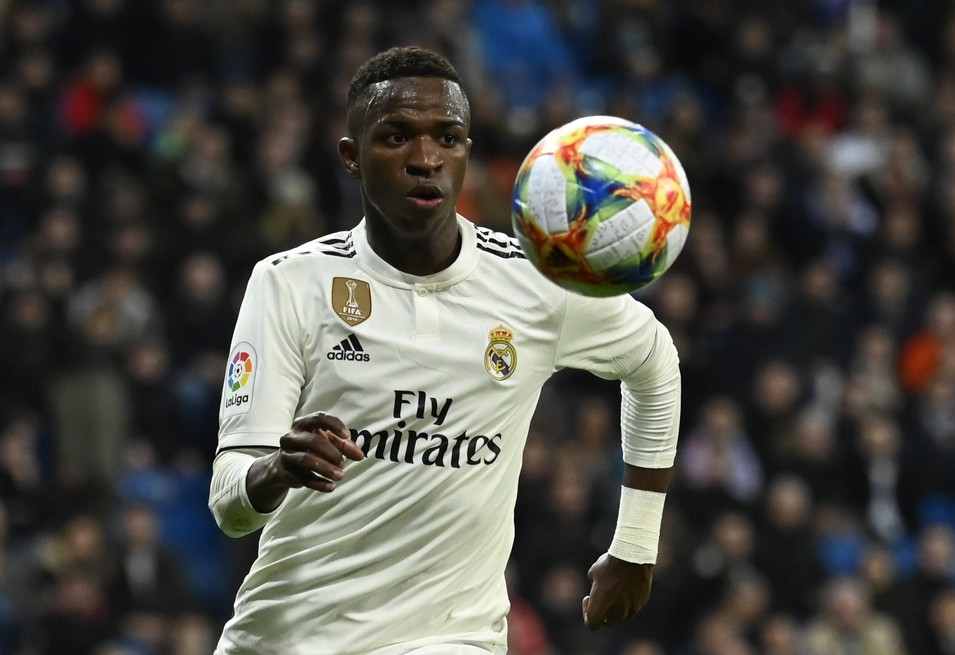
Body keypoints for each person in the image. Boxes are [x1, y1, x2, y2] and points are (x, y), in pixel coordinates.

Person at [208, 46, 681, 655]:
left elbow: (654, 363)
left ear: (467, 155)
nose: (425, 160)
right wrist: (275, 472)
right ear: (351, 158)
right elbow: (230, 505)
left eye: (448, 139)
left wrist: (637, 545)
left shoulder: (536, 286)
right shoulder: (290, 284)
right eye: (396, 137)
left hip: (450, 637)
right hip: (289, 636)